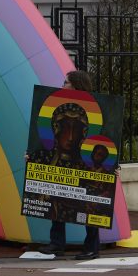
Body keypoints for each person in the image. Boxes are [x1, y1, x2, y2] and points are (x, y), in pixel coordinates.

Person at [37, 69, 102, 260]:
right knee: (55, 196)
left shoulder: (90, 108)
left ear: (75, 86)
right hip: (61, 162)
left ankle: (92, 247)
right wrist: (33, 158)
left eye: (65, 82)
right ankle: (57, 244)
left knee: (89, 204)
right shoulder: (59, 106)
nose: (62, 85)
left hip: (83, 164)